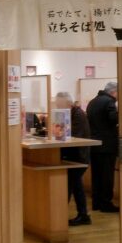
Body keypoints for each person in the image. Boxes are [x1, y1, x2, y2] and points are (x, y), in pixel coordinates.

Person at [54, 92, 92, 226]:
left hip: (79, 156)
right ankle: (81, 215)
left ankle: (76, 216)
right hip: (73, 156)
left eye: (60, 105)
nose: (58, 107)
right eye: (57, 105)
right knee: (74, 185)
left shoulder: (78, 116)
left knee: (73, 185)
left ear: (69, 104)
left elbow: (74, 136)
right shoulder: (69, 114)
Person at [86, 82, 120, 213]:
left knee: (96, 175)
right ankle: (106, 203)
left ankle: (96, 202)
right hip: (107, 145)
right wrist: (121, 115)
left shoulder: (92, 102)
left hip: (94, 144)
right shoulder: (109, 101)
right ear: (114, 92)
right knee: (107, 176)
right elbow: (113, 119)